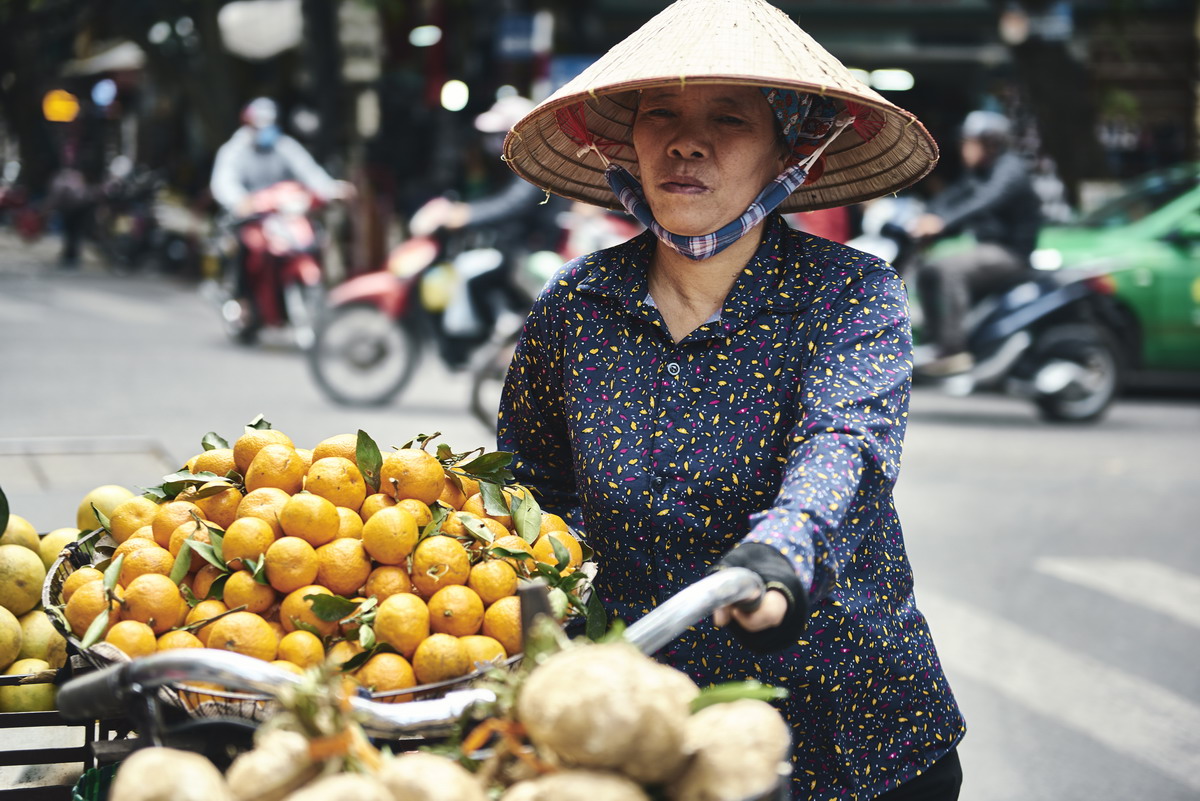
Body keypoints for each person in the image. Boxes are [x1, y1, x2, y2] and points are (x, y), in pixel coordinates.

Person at [496, 1, 965, 799]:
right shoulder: (575, 304)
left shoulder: (851, 294)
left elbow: (845, 443)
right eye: (661, 114)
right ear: (628, 139)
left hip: (856, 730)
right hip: (651, 734)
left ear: (789, 144)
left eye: (729, 118)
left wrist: (780, 551)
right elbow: (530, 494)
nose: (687, 141)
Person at [410, 95, 568, 362]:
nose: (491, 143)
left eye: (498, 135)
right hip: (516, 251)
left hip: (538, 252)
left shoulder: (535, 166)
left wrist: (466, 215)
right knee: (478, 283)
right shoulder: (507, 167)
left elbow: (510, 205)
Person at [909, 110, 1042, 376]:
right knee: (928, 270)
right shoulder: (981, 172)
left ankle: (953, 349)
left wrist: (942, 223)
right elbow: (955, 196)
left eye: (970, 142)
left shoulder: (1009, 170)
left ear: (991, 143)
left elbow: (985, 200)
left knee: (950, 269)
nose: (964, 149)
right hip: (987, 250)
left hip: (1010, 254)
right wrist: (928, 215)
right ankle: (935, 342)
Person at [209, 98, 353, 311]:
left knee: (313, 239)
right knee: (244, 247)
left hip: (282, 215)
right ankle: (243, 302)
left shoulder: (284, 146)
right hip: (252, 217)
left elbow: (309, 172)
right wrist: (240, 202)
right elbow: (223, 182)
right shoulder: (235, 150)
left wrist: (332, 189)